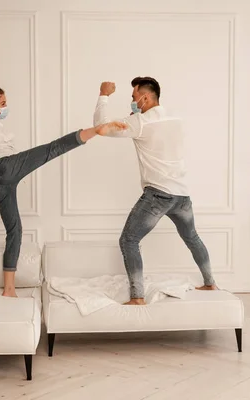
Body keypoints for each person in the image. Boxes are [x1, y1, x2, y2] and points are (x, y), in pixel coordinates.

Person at [0, 81, 127, 297]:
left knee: (15, 231)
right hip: (6, 167)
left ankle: (8, 289)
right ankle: (97, 130)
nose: (5, 107)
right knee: (52, 149)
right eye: (3, 103)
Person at [93, 77, 217, 306]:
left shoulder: (141, 123)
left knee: (128, 240)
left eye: (133, 98)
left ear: (145, 98)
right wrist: (133, 118)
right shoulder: (176, 119)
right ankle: (210, 283)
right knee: (192, 237)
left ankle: (137, 297)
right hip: (182, 195)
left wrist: (104, 94)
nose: (133, 101)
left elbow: (101, 127)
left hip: (158, 195)